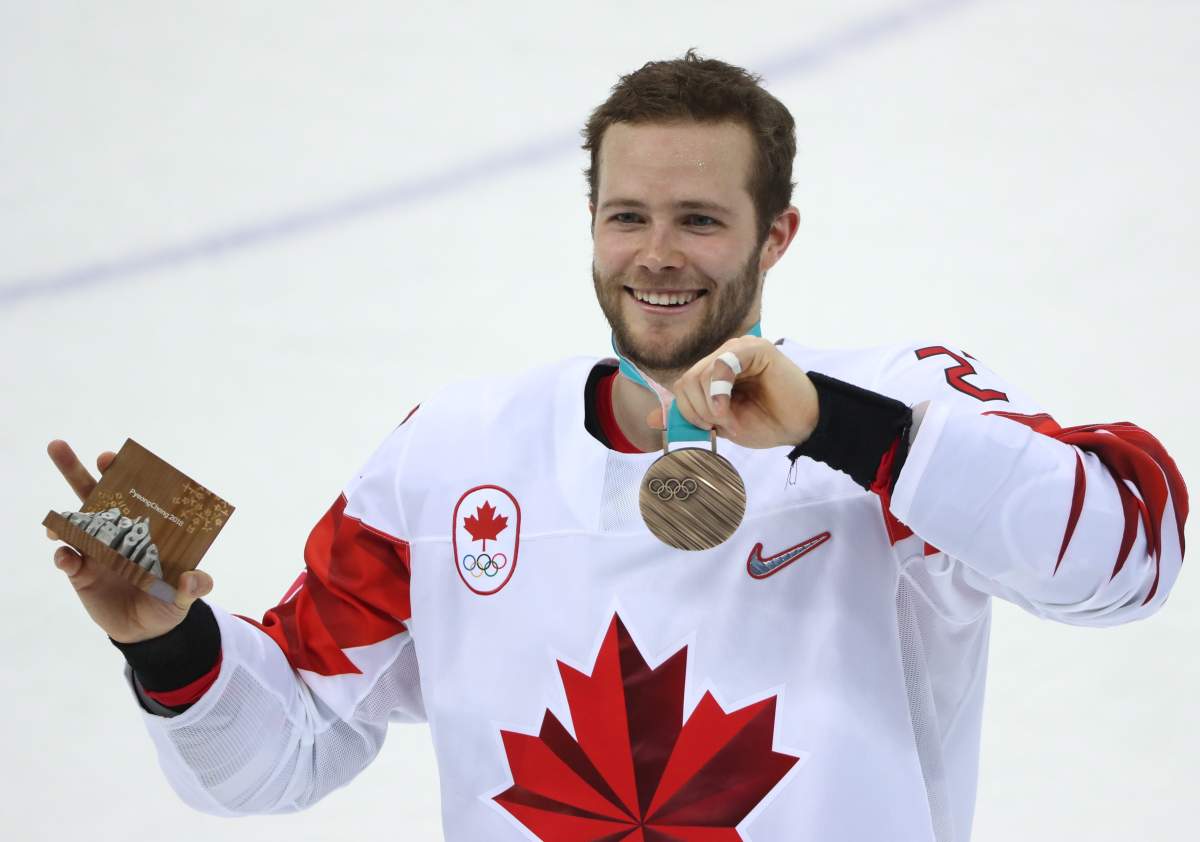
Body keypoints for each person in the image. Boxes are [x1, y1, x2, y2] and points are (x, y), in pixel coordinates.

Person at [48, 50, 1188, 842]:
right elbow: (279, 747)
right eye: (628, 216)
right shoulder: (453, 455)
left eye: (701, 219)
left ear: (775, 234)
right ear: (590, 221)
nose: (658, 254)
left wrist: (836, 427)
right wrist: (171, 643)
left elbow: (1130, 551)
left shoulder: (891, 409)